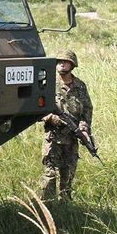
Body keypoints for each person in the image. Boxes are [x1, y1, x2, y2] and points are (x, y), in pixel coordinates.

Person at [39, 49, 93, 201]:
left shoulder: (80, 86)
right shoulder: (47, 84)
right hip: (53, 137)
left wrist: (83, 128)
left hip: (71, 139)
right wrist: (51, 118)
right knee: (50, 174)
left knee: (68, 174)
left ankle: (66, 205)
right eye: (59, 61)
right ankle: (47, 204)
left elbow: (87, 109)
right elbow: (38, 108)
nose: (62, 64)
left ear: (72, 64)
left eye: (66, 61)